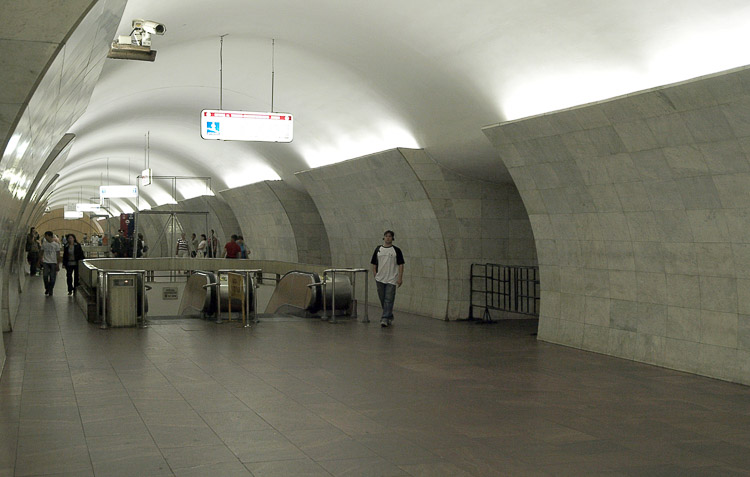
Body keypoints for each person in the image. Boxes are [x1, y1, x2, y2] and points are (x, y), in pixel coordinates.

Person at [370, 230, 405, 327]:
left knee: (389, 299)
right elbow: (374, 263)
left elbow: (401, 264)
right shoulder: (378, 249)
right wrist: (375, 274)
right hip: (380, 278)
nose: (388, 238)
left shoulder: (396, 250)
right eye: (386, 236)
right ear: (384, 237)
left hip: (391, 279)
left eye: (390, 236)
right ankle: (389, 315)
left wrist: (400, 278)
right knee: (382, 298)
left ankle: (385, 318)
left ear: (392, 238)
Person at [41, 231, 61, 296]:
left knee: (53, 277)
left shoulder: (56, 245)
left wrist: (58, 264)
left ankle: (50, 289)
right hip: (46, 262)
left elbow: (58, 254)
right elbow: (41, 252)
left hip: (53, 262)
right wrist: (40, 260)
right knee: (45, 276)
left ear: (49, 236)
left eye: (45, 236)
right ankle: (47, 287)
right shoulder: (44, 244)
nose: (45, 237)